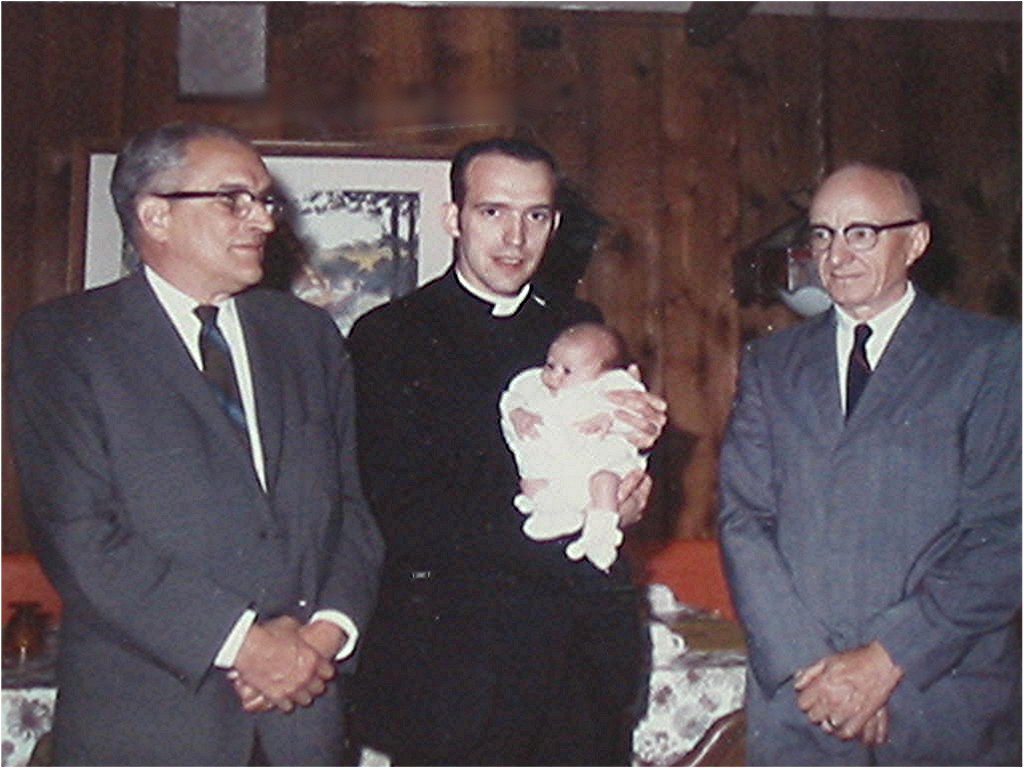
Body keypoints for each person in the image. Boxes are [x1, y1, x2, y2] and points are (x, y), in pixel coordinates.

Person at [8, 123, 384, 765]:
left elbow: (352, 510)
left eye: (266, 200)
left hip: (302, 723)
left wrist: (319, 642)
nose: (261, 220)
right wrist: (247, 645)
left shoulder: (308, 339)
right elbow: (81, 536)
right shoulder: (66, 341)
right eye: (233, 199)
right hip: (149, 731)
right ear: (155, 215)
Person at [346, 137, 667, 765]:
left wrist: (633, 469)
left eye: (537, 216)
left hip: (579, 668)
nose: (516, 238)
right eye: (493, 212)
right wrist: (579, 517)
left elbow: (618, 471)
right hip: (461, 673)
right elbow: (403, 509)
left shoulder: (578, 327)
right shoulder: (390, 337)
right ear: (454, 218)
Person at [719, 163, 1021, 765]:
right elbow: (743, 520)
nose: (837, 254)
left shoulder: (991, 356)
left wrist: (885, 661)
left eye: (861, 233)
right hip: (802, 707)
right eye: (823, 234)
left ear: (915, 241)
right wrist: (817, 673)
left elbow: (1005, 532)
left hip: (936, 700)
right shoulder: (771, 364)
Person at [500, 322, 648, 571]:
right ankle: (551, 515)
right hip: (553, 468)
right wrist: (519, 415)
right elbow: (510, 400)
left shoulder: (607, 387)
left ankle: (600, 532)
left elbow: (634, 409)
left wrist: (608, 418)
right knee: (531, 483)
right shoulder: (533, 385)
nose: (554, 376)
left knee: (604, 482)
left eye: (567, 371)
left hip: (593, 464)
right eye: (550, 365)